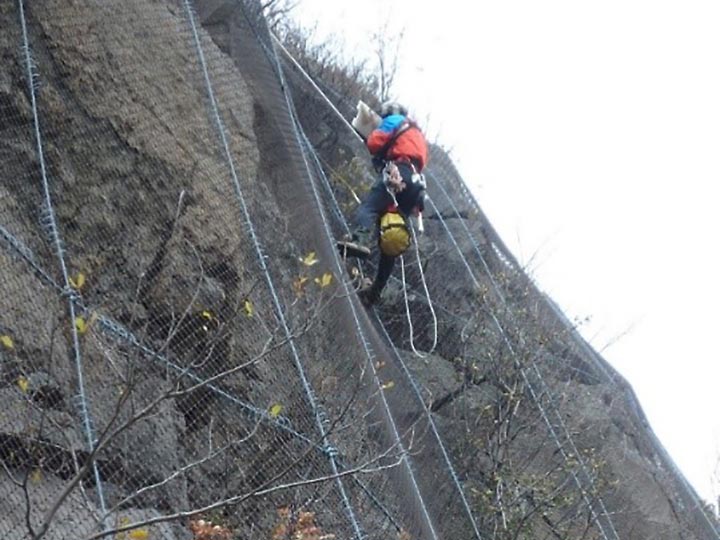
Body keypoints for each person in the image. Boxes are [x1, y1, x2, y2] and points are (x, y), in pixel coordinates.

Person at [337, 101, 429, 304]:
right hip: (414, 185)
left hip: (399, 173)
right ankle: (375, 291)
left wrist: (370, 135)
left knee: (370, 206)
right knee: (390, 236)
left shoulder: (394, 121)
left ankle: (358, 240)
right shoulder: (418, 136)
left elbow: (375, 142)